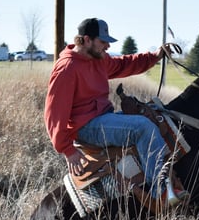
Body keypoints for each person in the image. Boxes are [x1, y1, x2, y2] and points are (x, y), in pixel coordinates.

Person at [44, 17, 185, 204]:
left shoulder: (98, 59)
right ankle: (159, 192)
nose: (107, 47)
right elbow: (54, 113)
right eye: (103, 42)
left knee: (153, 114)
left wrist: (155, 56)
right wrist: (67, 150)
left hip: (103, 118)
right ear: (87, 40)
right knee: (143, 127)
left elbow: (124, 64)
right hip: (86, 127)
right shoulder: (67, 68)